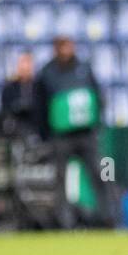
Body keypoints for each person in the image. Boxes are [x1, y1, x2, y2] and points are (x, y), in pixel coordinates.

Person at [34, 36, 113, 228]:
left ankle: (108, 217)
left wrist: (97, 125)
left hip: (86, 134)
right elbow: (40, 106)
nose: (67, 50)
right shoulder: (47, 73)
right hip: (60, 136)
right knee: (59, 179)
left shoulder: (84, 69)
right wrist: (45, 134)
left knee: (101, 173)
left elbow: (98, 96)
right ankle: (63, 222)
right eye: (63, 47)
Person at [0, 52, 39, 139]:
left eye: (28, 63)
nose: (25, 67)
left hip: (36, 129)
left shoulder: (39, 87)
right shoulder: (9, 88)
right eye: (22, 63)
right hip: (16, 130)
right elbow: (5, 112)